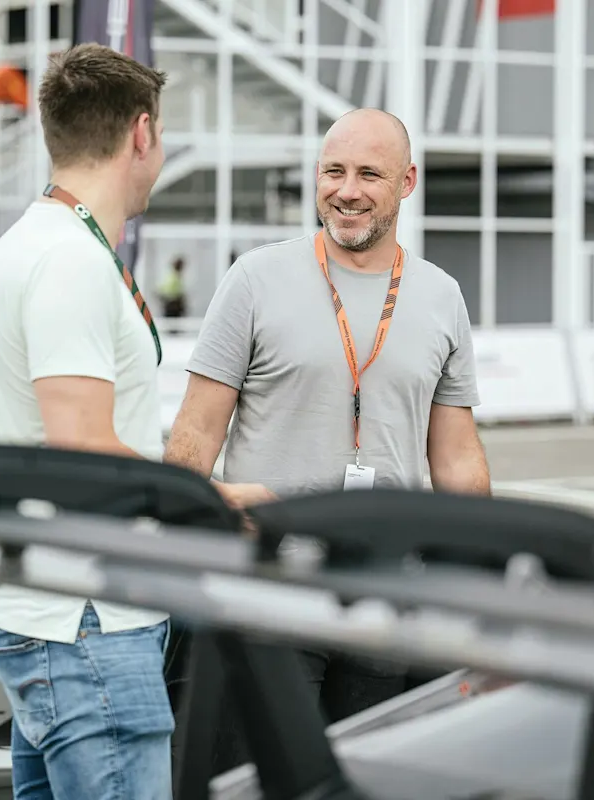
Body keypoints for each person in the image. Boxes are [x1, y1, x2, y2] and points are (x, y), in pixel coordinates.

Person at [0, 43, 270, 800]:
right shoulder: (68, 261)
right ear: (141, 133)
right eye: (160, 135)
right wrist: (209, 503)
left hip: (55, 610)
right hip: (87, 621)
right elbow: (82, 454)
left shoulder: (29, 248)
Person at [163, 107, 492, 743]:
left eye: (370, 174)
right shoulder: (256, 278)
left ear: (407, 183)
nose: (347, 190)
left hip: (388, 593)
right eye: (333, 171)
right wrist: (187, 542)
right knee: (265, 774)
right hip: (269, 586)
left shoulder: (441, 295)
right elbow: (196, 431)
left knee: (369, 775)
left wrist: (476, 571)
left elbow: (456, 455)